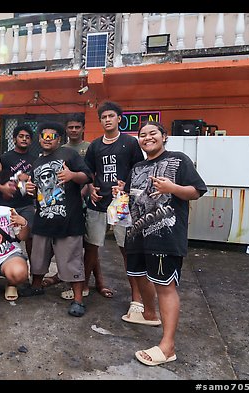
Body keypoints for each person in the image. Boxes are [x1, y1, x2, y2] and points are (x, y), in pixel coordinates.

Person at [115, 121, 207, 366]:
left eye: (152, 133)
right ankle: (149, 314)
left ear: (164, 136)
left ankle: (168, 347)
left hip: (165, 235)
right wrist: (120, 193)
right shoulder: (137, 167)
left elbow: (197, 191)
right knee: (140, 275)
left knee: (165, 286)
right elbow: (133, 195)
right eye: (142, 135)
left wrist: (173, 188)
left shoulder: (179, 159)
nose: (147, 138)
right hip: (137, 234)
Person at [19, 121, 93, 317]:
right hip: (43, 218)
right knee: (38, 258)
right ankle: (36, 286)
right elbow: (35, 190)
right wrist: (29, 189)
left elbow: (87, 176)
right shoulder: (36, 163)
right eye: (44, 135)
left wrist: (72, 175)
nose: (47, 139)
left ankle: (78, 300)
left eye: (51, 136)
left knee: (71, 260)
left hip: (69, 220)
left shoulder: (69, 155)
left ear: (59, 139)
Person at [83, 101, 146, 317]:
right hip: (98, 202)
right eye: (103, 117)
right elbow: (88, 172)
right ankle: (83, 288)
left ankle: (136, 299)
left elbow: (139, 170)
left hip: (122, 205)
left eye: (111, 116)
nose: (107, 119)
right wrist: (90, 188)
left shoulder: (130, 143)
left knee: (127, 250)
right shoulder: (94, 145)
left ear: (119, 118)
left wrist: (126, 188)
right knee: (91, 247)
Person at [0, 124, 37, 266]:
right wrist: (3, 189)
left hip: (27, 205)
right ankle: (4, 267)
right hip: (7, 206)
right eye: (21, 136)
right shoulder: (5, 158)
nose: (24, 139)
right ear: (14, 139)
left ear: (31, 141)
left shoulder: (35, 159)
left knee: (30, 238)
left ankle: (34, 270)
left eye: (27, 137)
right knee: (5, 237)